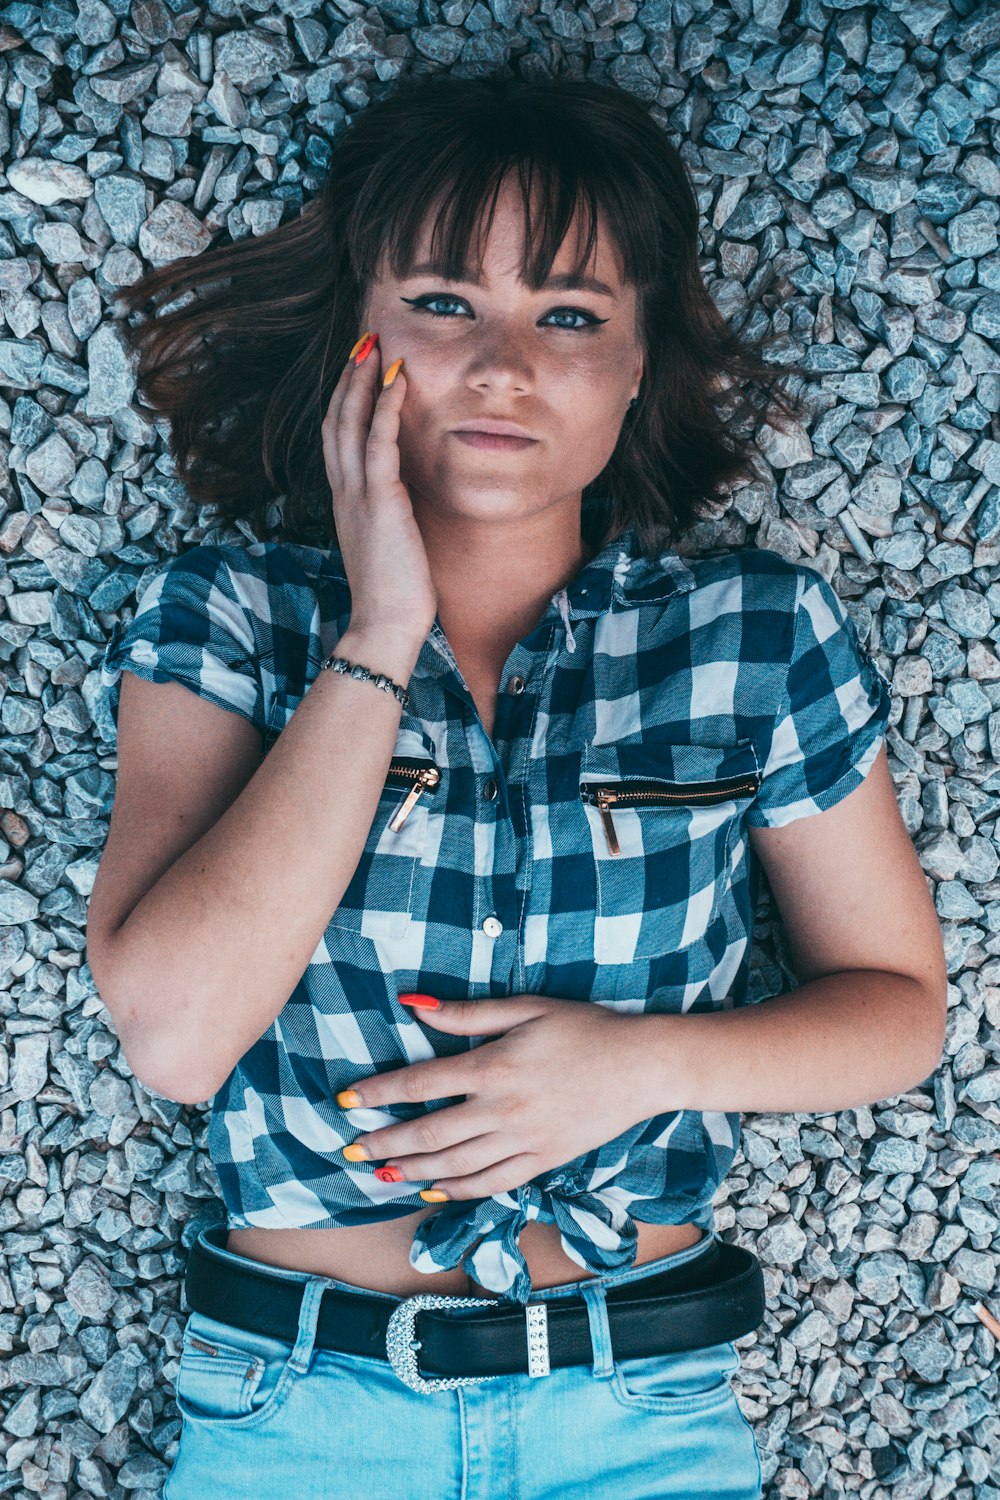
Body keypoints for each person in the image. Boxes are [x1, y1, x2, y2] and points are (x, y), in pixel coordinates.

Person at [86, 71, 948, 1500]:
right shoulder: (230, 615)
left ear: (637, 360)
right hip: (304, 1415)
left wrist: (644, 1061)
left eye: (568, 317)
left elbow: (897, 1011)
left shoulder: (752, 634)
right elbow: (175, 1036)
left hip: (641, 1417)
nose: (502, 367)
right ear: (358, 332)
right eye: (442, 304)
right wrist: (373, 644)